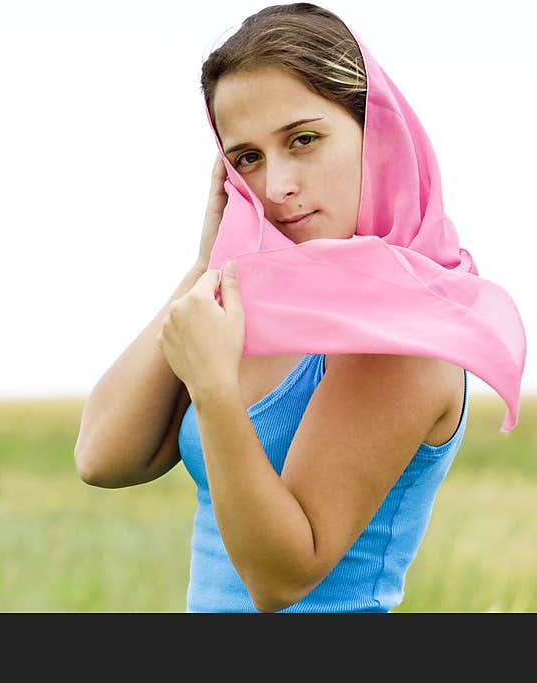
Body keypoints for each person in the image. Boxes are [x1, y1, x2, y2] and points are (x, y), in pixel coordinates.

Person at [73, 3, 525, 613]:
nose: (276, 185)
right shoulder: (254, 303)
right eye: (248, 158)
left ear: (379, 134)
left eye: (303, 140)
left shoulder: (403, 334)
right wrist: (204, 266)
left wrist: (213, 387)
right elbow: (103, 455)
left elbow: (281, 579)